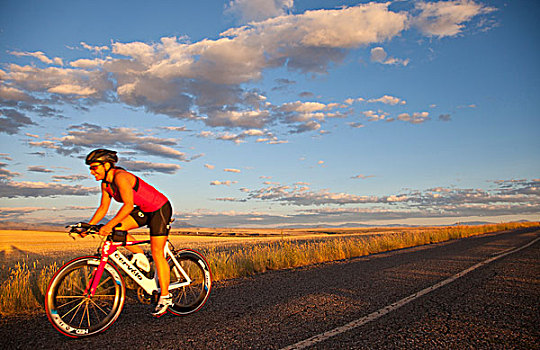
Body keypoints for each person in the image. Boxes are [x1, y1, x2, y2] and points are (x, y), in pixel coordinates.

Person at [83, 148, 173, 317]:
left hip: (159, 209)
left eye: (94, 167)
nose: (91, 172)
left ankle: (165, 296)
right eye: (90, 168)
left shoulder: (120, 177)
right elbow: (103, 208)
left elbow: (128, 206)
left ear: (107, 165)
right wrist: (89, 226)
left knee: (157, 252)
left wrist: (108, 225)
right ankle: (139, 254)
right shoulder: (106, 184)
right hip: (144, 210)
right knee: (118, 230)